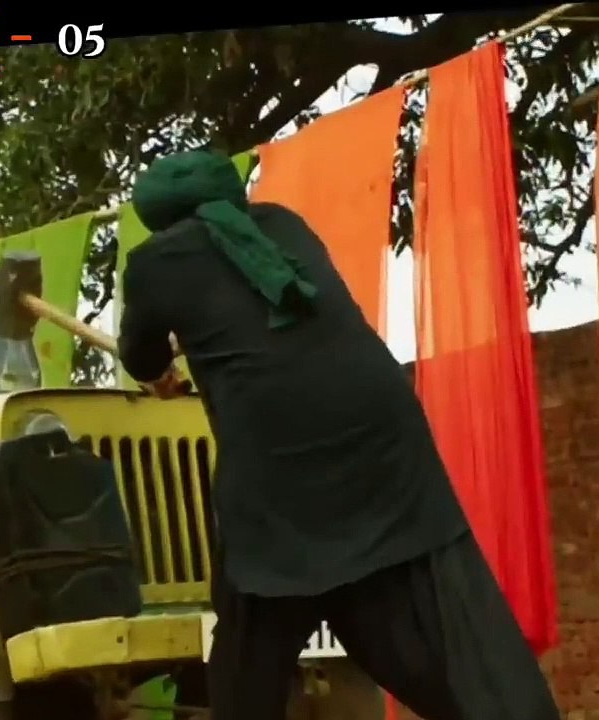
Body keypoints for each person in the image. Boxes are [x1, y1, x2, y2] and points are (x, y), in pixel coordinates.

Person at [117, 150, 562, 720]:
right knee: (442, 613)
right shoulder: (283, 226)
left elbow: (140, 354)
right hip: (384, 434)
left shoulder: (153, 265)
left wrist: (160, 376)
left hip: (280, 460)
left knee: (251, 619)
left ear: (156, 216)